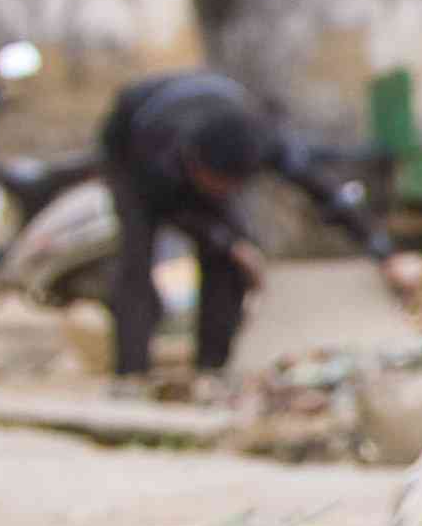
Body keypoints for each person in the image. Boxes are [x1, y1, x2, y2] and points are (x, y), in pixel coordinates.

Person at [95, 69, 383, 383]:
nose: (223, 193)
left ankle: (211, 369)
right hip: (129, 151)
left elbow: (325, 191)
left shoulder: (265, 142)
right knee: (135, 263)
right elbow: (176, 211)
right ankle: (131, 376)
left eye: (230, 186)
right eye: (216, 184)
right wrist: (230, 242)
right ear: (194, 163)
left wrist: (383, 250)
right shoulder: (159, 152)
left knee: (229, 266)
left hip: (205, 123)